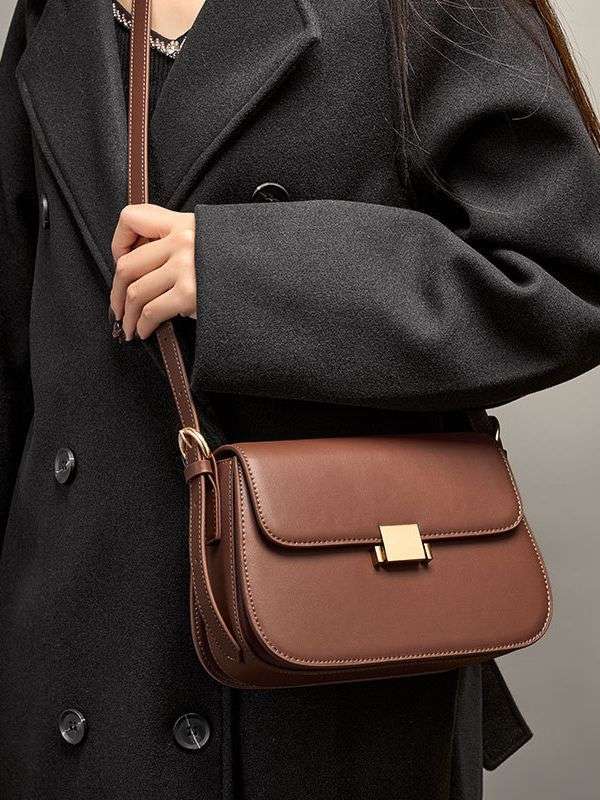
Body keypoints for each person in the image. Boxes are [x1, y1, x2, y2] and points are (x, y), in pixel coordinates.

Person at [0, 0, 599, 797]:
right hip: (69, 666)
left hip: (319, 665)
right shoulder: (60, 11)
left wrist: (243, 271)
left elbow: (566, 273)